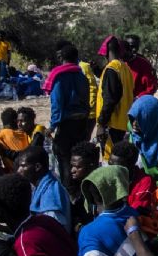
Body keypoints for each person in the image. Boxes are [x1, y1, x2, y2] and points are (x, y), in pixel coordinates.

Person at [45, 43, 91, 183]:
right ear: (76, 58)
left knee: (65, 161)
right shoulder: (82, 76)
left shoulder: (59, 76)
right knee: (79, 159)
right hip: (82, 123)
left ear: (61, 58)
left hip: (67, 124)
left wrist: (52, 126)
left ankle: (68, 193)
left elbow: (57, 103)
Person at [94, 37, 136, 163]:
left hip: (111, 125)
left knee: (110, 162)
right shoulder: (125, 68)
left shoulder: (111, 69)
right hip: (124, 123)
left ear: (107, 51)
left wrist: (101, 124)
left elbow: (110, 99)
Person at [15, 146, 72, 231]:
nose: (18, 171)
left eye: (23, 166)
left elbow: (53, 231)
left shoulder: (50, 194)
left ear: (37, 167)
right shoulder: (42, 186)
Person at [68, 141, 99, 229]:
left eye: (78, 167)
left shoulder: (97, 188)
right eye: (72, 166)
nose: (72, 170)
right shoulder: (75, 184)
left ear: (91, 165)